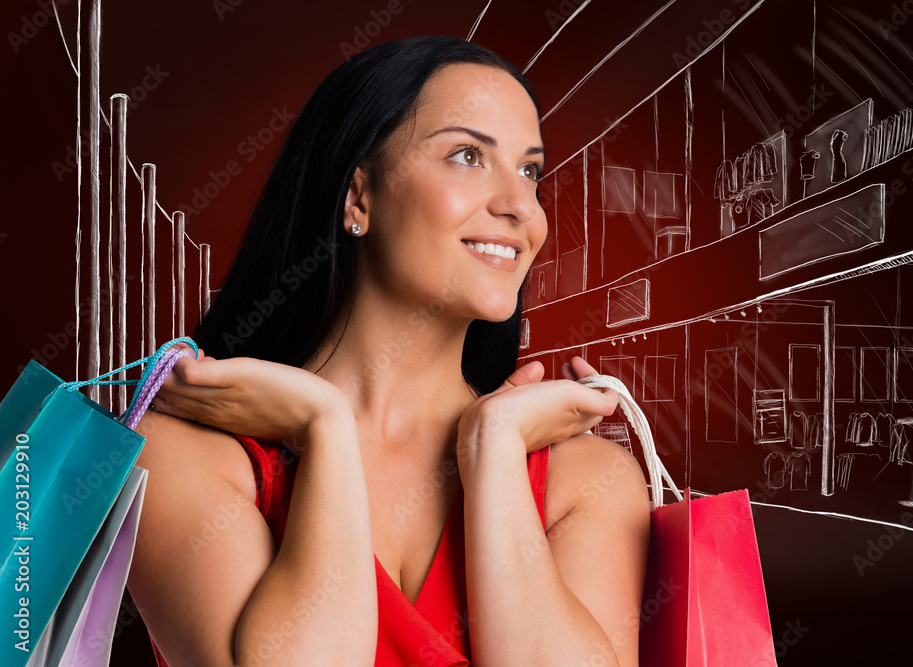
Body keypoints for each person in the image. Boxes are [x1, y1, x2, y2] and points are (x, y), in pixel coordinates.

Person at [127, 35, 651, 666]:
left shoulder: (585, 481)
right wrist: (324, 430)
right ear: (358, 197)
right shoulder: (185, 457)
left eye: (530, 170)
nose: (521, 207)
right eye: (466, 155)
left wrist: (495, 447)